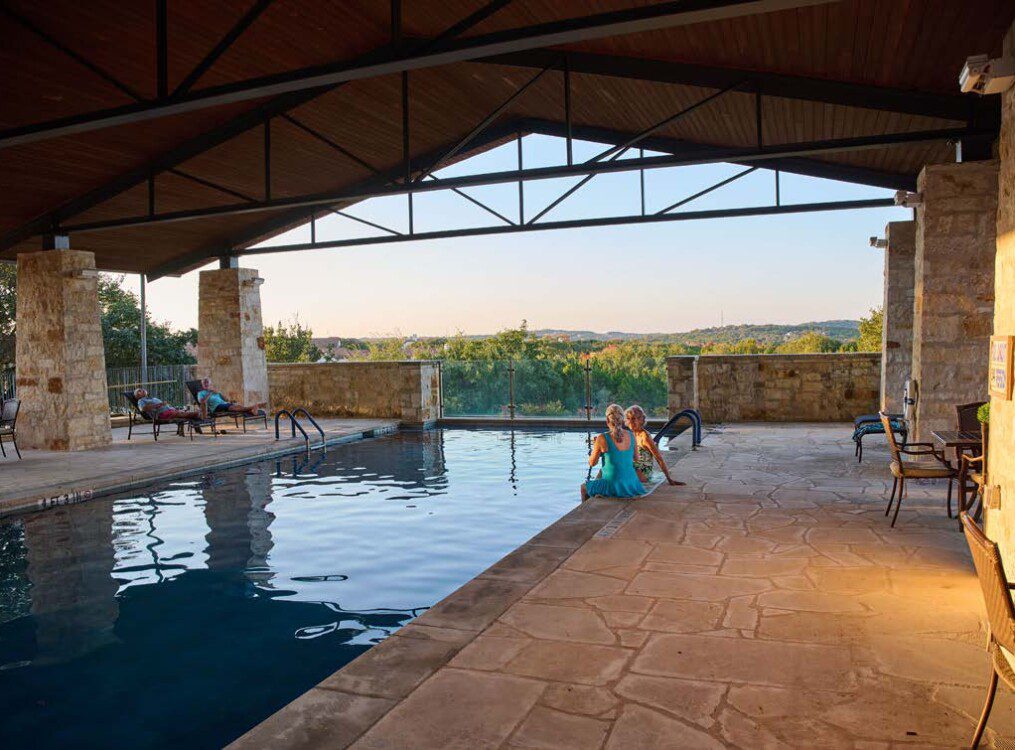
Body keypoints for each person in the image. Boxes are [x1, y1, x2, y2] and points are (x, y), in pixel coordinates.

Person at [581, 403, 645, 501]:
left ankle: (585, 513)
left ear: (607, 420)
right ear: (622, 420)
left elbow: (592, 463)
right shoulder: (631, 435)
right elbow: (636, 459)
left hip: (612, 485)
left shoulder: (602, 438)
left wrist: (596, 446)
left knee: (583, 488)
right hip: (632, 483)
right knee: (602, 473)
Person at [625, 404, 684, 486]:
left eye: (634, 419)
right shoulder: (631, 435)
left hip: (643, 471)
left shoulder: (645, 437)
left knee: (625, 477)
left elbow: (659, 458)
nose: (631, 422)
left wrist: (669, 479)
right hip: (634, 467)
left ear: (641, 420)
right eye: (628, 418)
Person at [196, 378, 266, 419]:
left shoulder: (215, 392)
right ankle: (254, 406)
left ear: (210, 384)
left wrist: (219, 393)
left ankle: (251, 411)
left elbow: (226, 400)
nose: (206, 384)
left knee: (237, 406)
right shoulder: (201, 393)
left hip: (224, 404)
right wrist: (210, 393)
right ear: (202, 385)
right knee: (235, 407)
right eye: (204, 383)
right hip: (216, 407)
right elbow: (201, 401)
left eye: (207, 383)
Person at [134, 388, 202, 421]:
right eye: (139, 391)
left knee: (185, 409)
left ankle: (198, 415)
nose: (142, 390)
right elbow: (143, 409)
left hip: (169, 410)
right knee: (181, 413)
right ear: (137, 396)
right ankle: (199, 414)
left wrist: (163, 404)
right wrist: (158, 405)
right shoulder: (141, 401)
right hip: (162, 414)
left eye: (141, 389)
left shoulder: (151, 398)